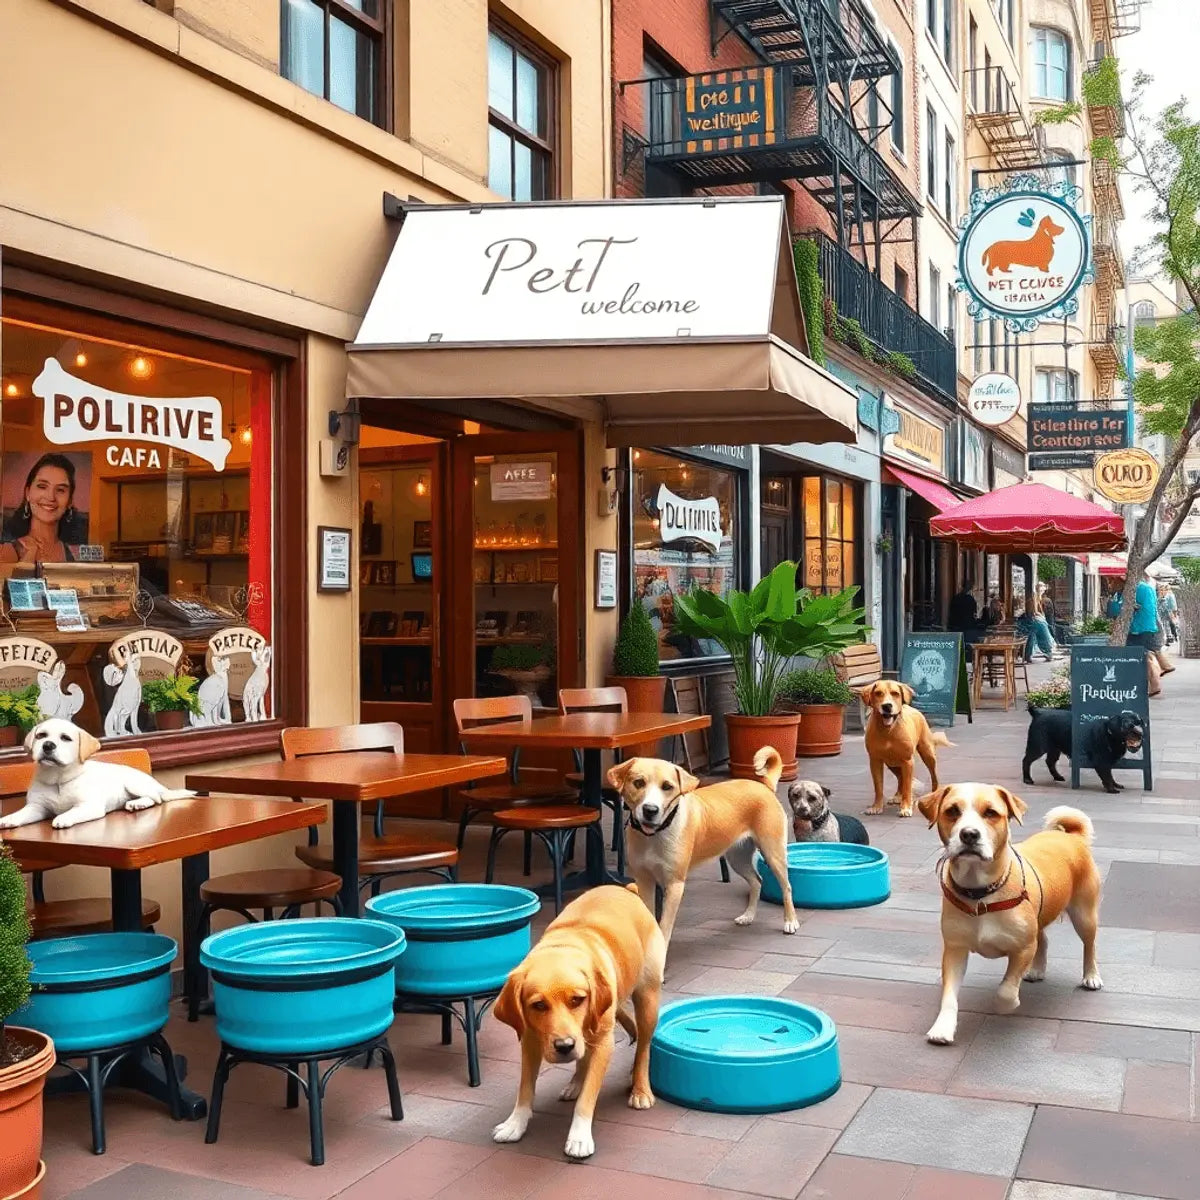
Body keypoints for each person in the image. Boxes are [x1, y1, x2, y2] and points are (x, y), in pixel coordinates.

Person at [0, 453, 87, 564]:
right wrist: (29, 557)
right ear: (27, 493)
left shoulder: (75, 553)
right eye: (42, 486)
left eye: (60, 490)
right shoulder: (8, 550)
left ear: (69, 501)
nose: (51, 497)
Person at [1127, 567, 1169, 694]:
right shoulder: (1148, 588)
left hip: (1140, 628)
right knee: (1148, 655)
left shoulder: (1137, 589)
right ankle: (1158, 676)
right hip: (1148, 627)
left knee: (1146, 657)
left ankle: (1155, 683)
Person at [1016, 594, 1055, 661]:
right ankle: (1028, 655)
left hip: (1034, 623)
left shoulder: (1036, 619)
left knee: (1031, 638)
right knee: (1032, 638)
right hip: (1036, 623)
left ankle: (1027, 655)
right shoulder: (1038, 618)